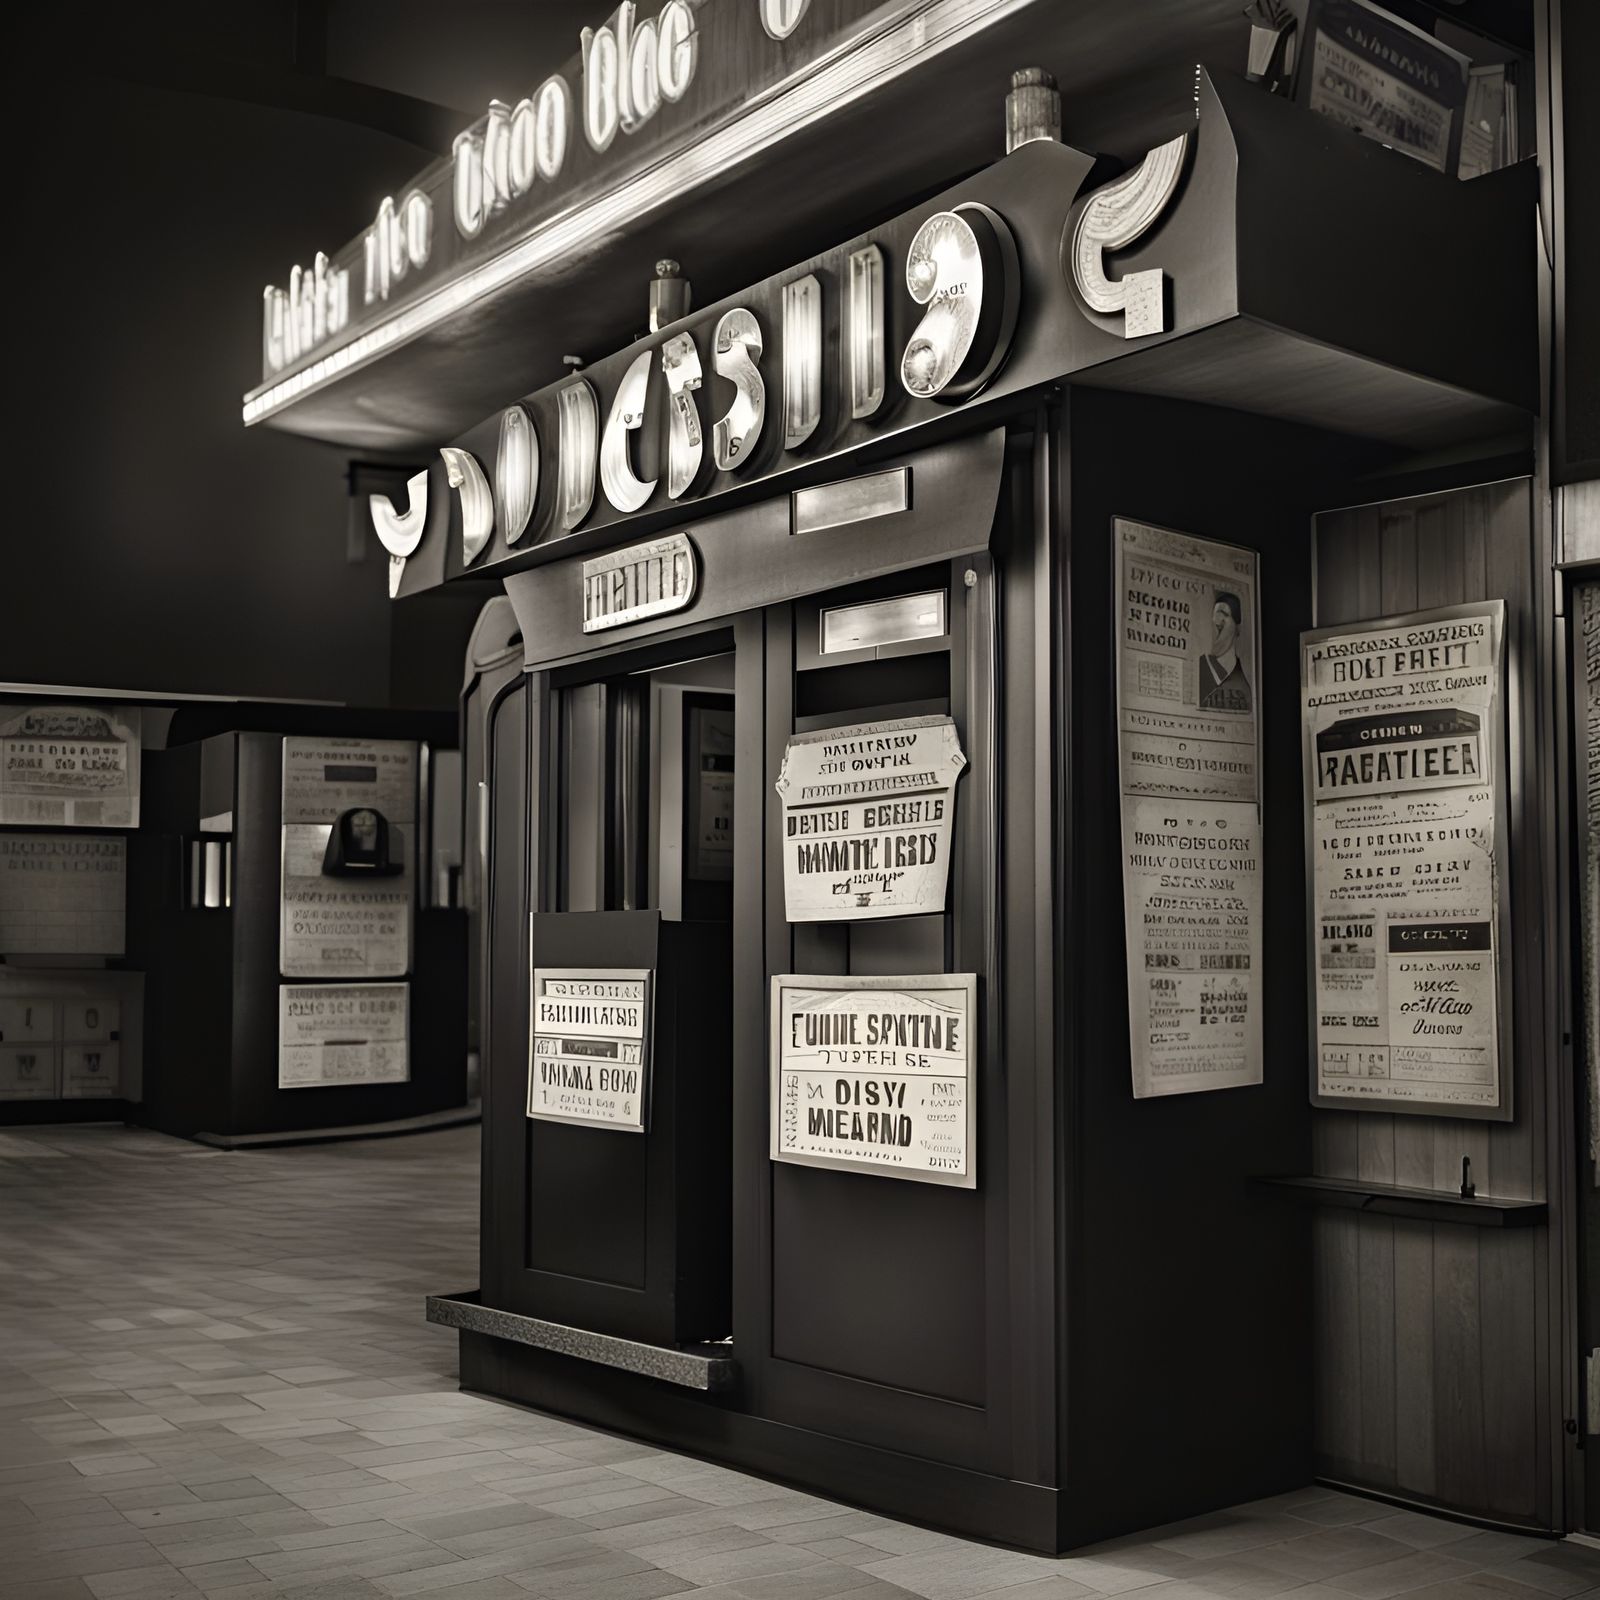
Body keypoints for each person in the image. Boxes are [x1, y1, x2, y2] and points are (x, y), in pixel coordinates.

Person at [1198, 591, 1251, 712]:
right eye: (1214, 617)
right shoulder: (1200, 667)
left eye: (1224, 615)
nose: (1216, 622)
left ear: (1238, 628)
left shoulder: (1244, 688)